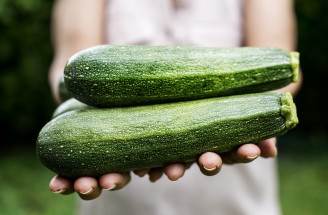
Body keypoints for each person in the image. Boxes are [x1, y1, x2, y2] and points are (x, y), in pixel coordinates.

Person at [48, 0, 302, 214]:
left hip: (233, 187)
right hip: (124, 185)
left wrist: (266, 110)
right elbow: (67, 72)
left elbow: (281, 66)